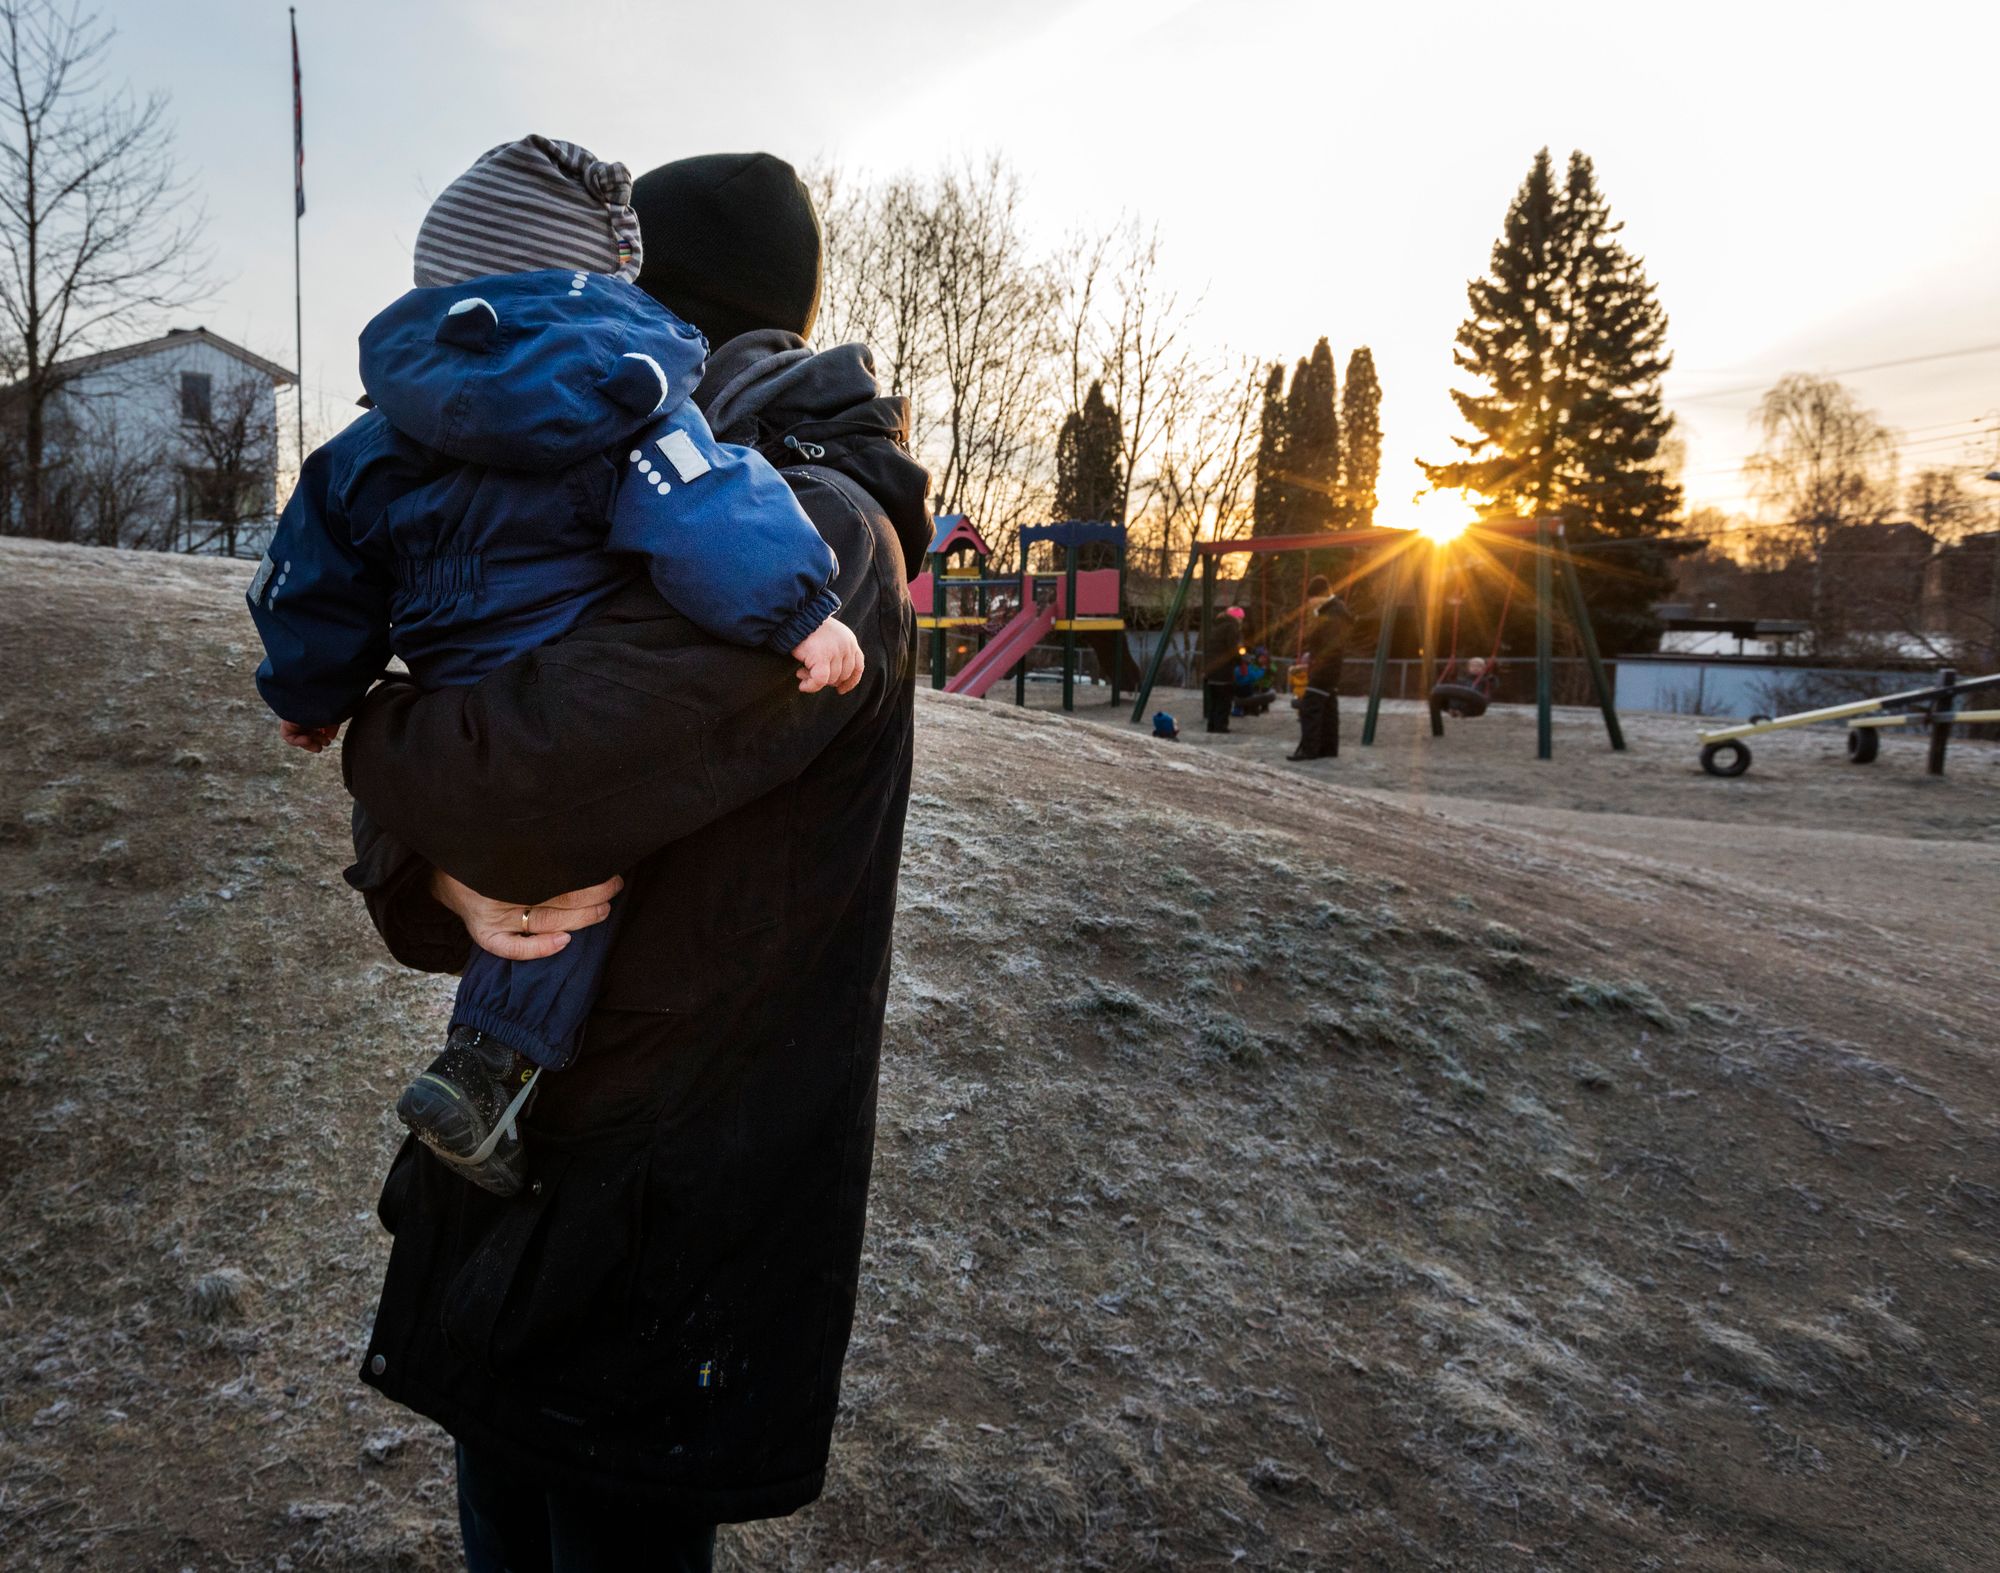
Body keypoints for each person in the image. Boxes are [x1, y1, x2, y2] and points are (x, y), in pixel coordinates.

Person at [333, 152, 929, 1570]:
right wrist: (433, 879)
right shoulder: (595, 503)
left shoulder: (812, 534)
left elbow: (535, 777)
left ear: (672, 318)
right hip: (534, 1181)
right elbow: (489, 751)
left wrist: (370, 741)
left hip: (664, 1219)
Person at [245, 136, 863, 1198]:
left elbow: (317, 576)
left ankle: (487, 1068)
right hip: (635, 1159)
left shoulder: (373, 438)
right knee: (581, 875)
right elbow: (703, 511)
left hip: (663, 1152)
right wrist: (797, 611)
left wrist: (326, 701)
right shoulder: (638, 416)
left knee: (573, 867)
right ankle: (491, 1063)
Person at [1290, 576, 1348, 761]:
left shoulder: (1332, 614)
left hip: (1325, 667)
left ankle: (1309, 749)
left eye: (1311, 599)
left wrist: (1315, 660)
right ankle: (1328, 748)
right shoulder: (1337, 611)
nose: (1309, 603)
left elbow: (1329, 644)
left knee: (1310, 706)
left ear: (1320, 596)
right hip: (1332, 666)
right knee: (1329, 706)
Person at [1202, 608, 1243, 732]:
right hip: (1223, 671)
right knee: (1224, 701)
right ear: (1237, 618)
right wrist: (1241, 661)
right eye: (1241, 618)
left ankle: (1212, 725)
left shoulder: (1216, 628)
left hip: (1211, 670)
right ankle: (1221, 726)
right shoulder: (1231, 628)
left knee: (1214, 700)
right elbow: (1232, 649)